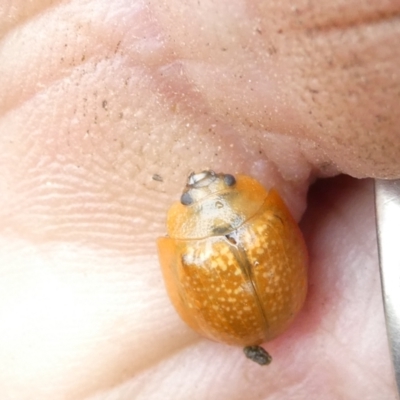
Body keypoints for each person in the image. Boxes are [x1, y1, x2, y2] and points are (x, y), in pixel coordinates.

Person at [0, 1, 398, 398]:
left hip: (264, 313)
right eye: (216, 183)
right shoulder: (265, 220)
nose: (202, 181)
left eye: (192, 193)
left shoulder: (200, 250)